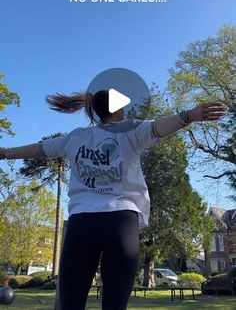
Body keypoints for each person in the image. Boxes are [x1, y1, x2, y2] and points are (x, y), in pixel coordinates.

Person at [0, 90, 225, 310]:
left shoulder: (76, 137)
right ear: (117, 109)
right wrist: (188, 116)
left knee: (70, 303)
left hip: (81, 224)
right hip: (121, 222)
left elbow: (39, 150)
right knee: (115, 304)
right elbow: (158, 128)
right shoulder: (131, 130)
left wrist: (4, 153)